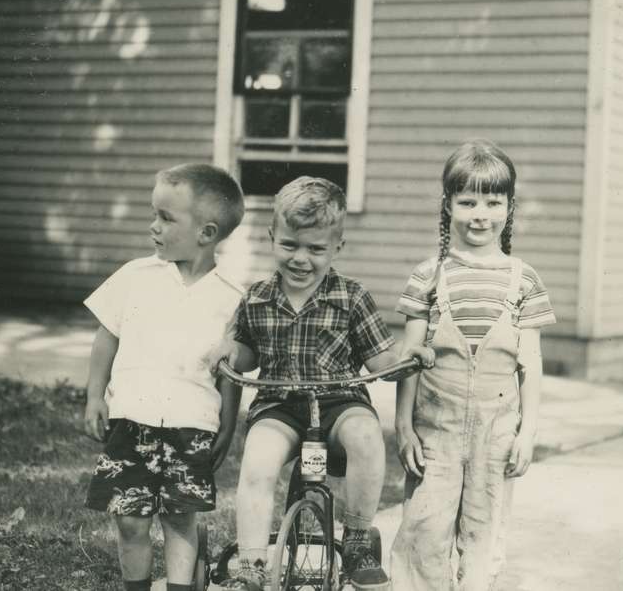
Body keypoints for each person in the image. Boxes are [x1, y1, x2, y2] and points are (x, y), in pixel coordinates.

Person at [390, 139, 556, 589]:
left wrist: (528, 432)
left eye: (492, 201)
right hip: (435, 429)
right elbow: (408, 362)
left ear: (509, 206)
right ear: (448, 205)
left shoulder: (524, 280)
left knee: (484, 535)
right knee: (424, 532)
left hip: (497, 431)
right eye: (467, 202)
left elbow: (531, 365)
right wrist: (404, 427)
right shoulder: (429, 276)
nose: (480, 214)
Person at [222, 176, 399, 591]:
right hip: (280, 404)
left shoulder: (352, 297)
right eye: (289, 245)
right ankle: (250, 564)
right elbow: (245, 357)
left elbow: (381, 359)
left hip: (339, 401)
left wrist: (408, 357)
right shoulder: (257, 297)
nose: (301, 258)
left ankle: (356, 540)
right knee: (257, 463)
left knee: (367, 436)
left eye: (316, 249)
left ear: (337, 247)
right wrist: (228, 347)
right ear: (271, 239)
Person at [82, 163, 246, 591]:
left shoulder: (231, 296)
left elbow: (230, 372)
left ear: (206, 233)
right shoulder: (136, 276)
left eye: (166, 218)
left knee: (179, 517)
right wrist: (95, 396)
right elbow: (106, 338)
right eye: (153, 214)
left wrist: (227, 424)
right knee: (131, 520)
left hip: (191, 425)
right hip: (131, 419)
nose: (153, 227)